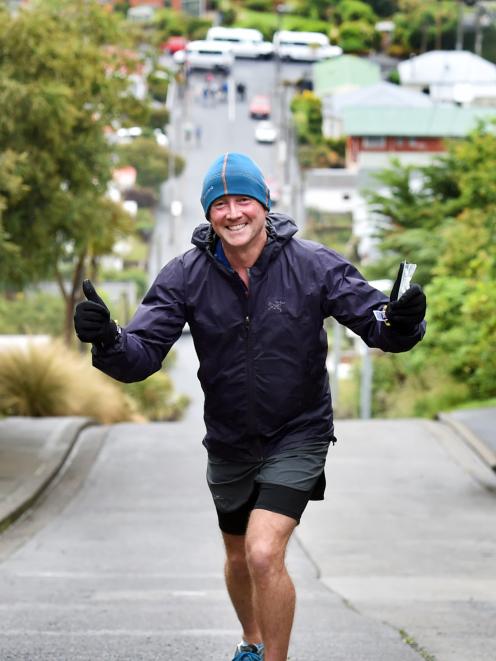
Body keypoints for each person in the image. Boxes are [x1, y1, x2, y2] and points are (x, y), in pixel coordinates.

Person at [74, 152, 426, 661]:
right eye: (220, 205)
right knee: (239, 557)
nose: (233, 213)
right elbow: (142, 354)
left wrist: (404, 320)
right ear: (207, 214)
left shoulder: (312, 265)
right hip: (230, 439)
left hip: (298, 433)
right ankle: (252, 642)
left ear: (264, 204)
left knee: (264, 552)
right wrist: (106, 338)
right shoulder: (184, 276)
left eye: (243, 200)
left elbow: (378, 324)